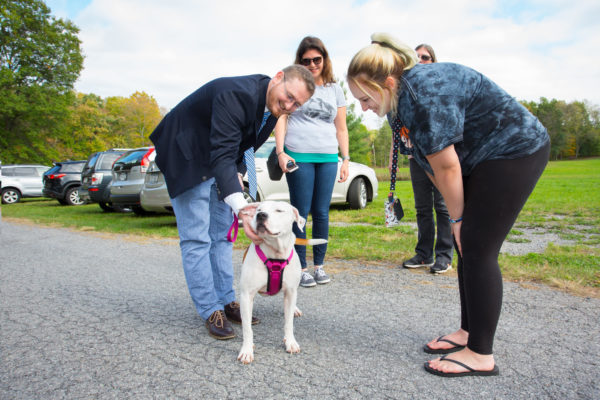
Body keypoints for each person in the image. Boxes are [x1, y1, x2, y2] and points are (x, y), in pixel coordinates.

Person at [347, 33, 549, 377]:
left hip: (514, 150)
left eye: (365, 98)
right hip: (481, 158)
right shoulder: (401, 98)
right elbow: (433, 163)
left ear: (389, 82)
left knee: (475, 246)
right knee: (465, 244)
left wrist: (457, 218)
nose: (364, 107)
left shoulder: (422, 93)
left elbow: (447, 166)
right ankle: (469, 333)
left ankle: (481, 354)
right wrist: (459, 222)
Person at [150, 66, 315, 340]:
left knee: (221, 237)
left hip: (219, 160)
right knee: (197, 239)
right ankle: (209, 308)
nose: (289, 105)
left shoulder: (273, 109)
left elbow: (240, 144)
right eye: (288, 96)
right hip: (186, 154)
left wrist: (238, 173)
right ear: (277, 77)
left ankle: (227, 300)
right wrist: (242, 207)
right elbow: (223, 149)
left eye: (296, 104)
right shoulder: (235, 94)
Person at [274, 36, 350, 287]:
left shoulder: (335, 89)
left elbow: (341, 128)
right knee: (300, 213)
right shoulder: (294, 86)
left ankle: (319, 266)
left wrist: (346, 159)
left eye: (317, 59)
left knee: (322, 212)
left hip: (328, 157)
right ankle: (301, 267)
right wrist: (280, 152)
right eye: (306, 61)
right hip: (300, 156)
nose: (312, 64)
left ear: (324, 59)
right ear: (300, 63)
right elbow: (282, 117)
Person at [399, 44, 454, 274]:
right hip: (416, 156)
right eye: (417, 57)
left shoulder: (441, 88)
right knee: (422, 207)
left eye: (426, 57)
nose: (421, 60)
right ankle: (424, 255)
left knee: (442, 206)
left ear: (433, 61)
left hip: (438, 155)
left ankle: (444, 256)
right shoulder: (405, 90)